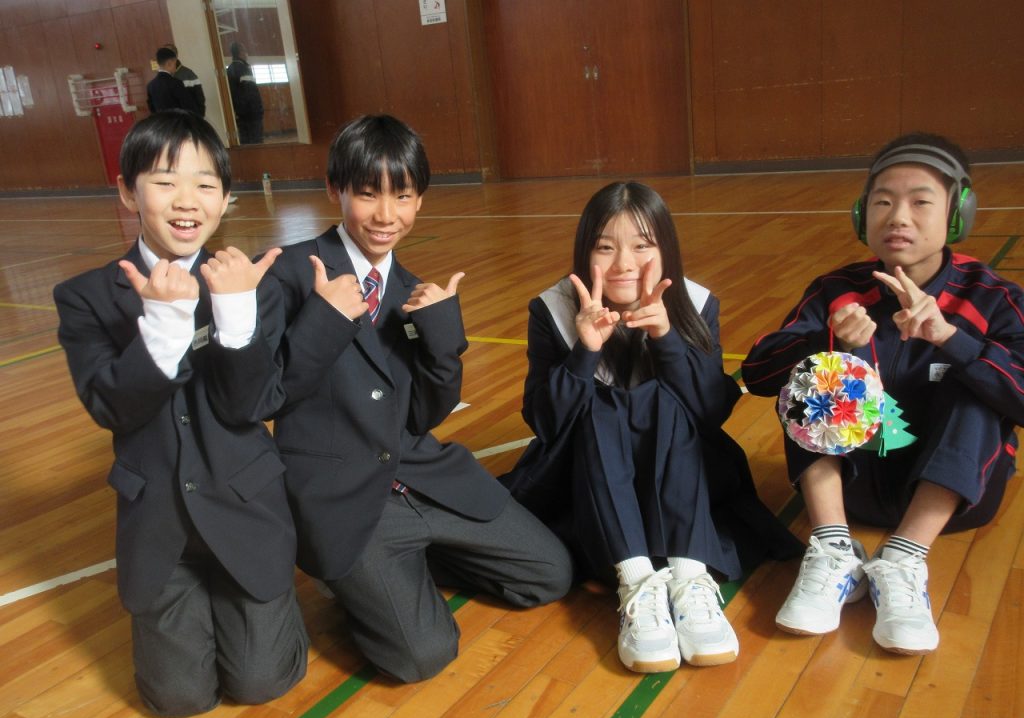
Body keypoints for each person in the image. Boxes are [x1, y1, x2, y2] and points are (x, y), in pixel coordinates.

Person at [268, 114, 573, 683]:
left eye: (403, 196)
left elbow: (424, 414)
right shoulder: (290, 272)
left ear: (420, 200)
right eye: (368, 194)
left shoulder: (410, 288)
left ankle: (401, 567)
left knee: (549, 574)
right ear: (335, 189)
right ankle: (357, 577)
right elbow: (266, 396)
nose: (387, 215)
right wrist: (323, 321)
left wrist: (442, 336)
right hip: (341, 496)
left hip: (419, 477)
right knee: (421, 657)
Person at [53, 110, 307, 717]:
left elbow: (250, 405)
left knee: (261, 682)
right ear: (127, 191)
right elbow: (112, 406)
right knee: (176, 699)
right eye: (165, 182)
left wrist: (236, 310)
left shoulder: (255, 284)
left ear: (226, 198)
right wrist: (165, 323)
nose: (186, 200)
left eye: (205, 184)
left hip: (244, 507)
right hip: (159, 520)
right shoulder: (86, 296)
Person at [502, 182, 803, 673]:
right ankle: (636, 581)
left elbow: (709, 410)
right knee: (600, 405)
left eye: (642, 245)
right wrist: (585, 351)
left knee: (666, 396)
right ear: (584, 252)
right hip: (589, 479)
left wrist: (666, 337)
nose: (623, 263)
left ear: (667, 249)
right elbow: (546, 423)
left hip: (680, 471)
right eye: (605, 247)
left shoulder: (694, 302)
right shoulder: (554, 308)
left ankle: (689, 576)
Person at [742, 132, 1023, 655]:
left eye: (920, 202)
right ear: (861, 213)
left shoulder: (993, 297)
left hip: (955, 497)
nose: (898, 217)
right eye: (883, 202)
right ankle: (833, 551)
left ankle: (904, 557)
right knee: (822, 368)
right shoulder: (835, 290)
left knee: (977, 381)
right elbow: (758, 372)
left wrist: (953, 341)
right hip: (854, 489)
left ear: (957, 214)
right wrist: (827, 341)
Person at [226, 41, 264, 144]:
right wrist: (258, 110)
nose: (247, 53)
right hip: (251, 115)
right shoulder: (243, 69)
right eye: (245, 50)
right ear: (240, 52)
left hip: (241, 115)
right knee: (256, 143)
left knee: (246, 143)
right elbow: (251, 93)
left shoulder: (230, 69)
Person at [146, 47, 201, 116]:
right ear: (169, 63)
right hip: (179, 121)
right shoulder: (176, 83)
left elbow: (152, 109)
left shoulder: (150, 85)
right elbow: (189, 107)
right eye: (175, 64)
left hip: (162, 121)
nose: (175, 67)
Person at [165, 42, 206, 118]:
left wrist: (199, 117)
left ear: (175, 56)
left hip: (189, 118)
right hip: (171, 120)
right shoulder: (162, 77)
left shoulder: (189, 74)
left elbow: (200, 98)